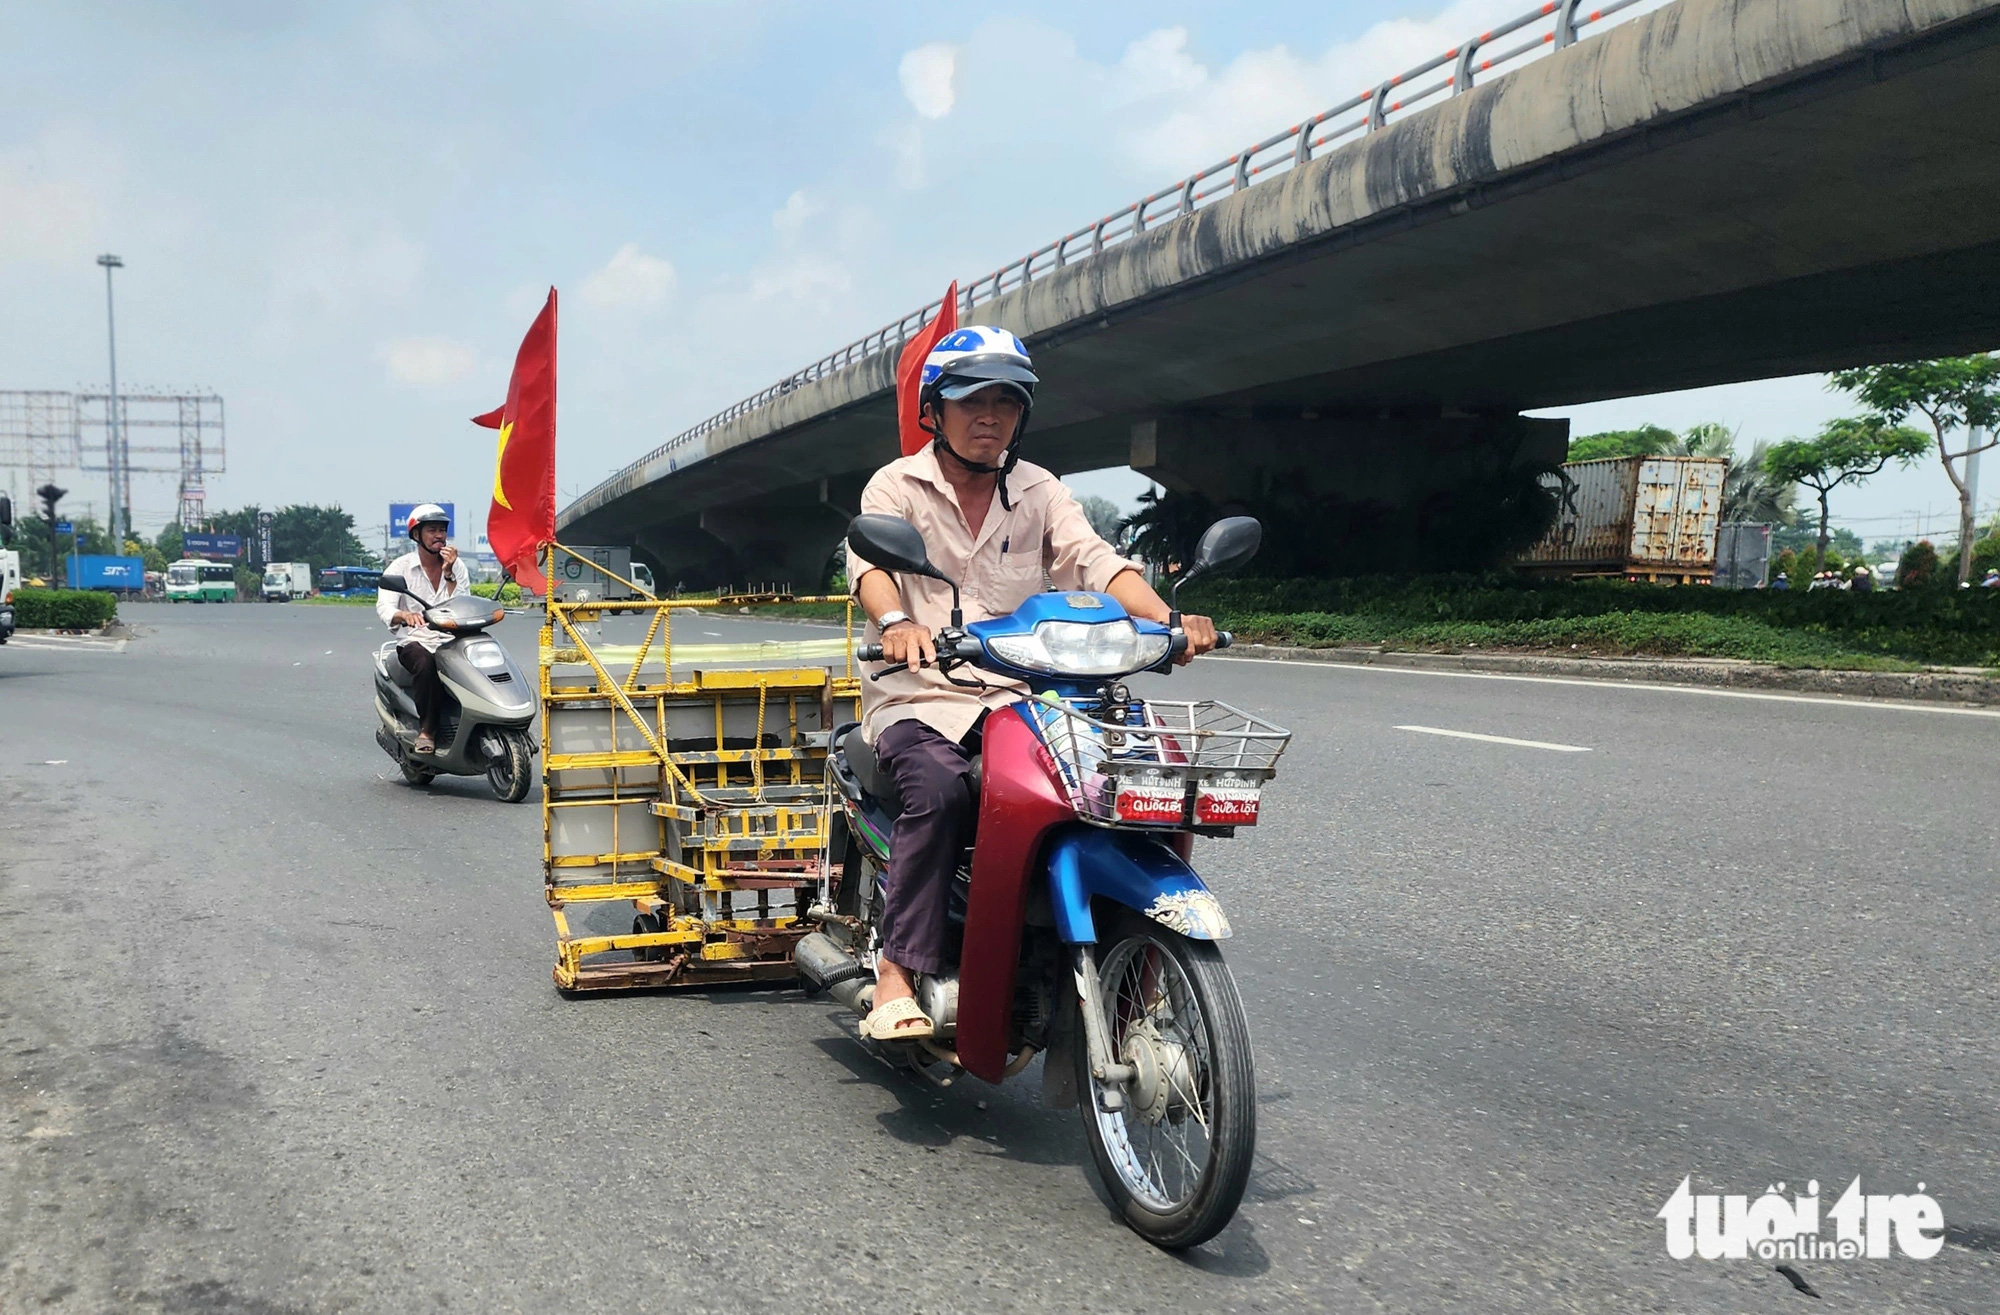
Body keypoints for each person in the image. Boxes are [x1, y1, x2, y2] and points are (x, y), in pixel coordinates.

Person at [846, 325, 1219, 1042]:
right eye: (972, 400)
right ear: (936, 409)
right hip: (923, 692)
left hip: (1025, 694)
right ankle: (896, 970)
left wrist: (1171, 620)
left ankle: (1130, 974)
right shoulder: (897, 485)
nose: (990, 416)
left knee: (1134, 771)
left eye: (1007, 403)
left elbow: (1099, 563)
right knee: (941, 786)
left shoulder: (1038, 489)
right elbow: (872, 567)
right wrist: (896, 619)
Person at [375, 504, 469, 755]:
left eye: (442, 530)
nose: (439, 536)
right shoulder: (400, 568)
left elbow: (463, 605)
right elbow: (384, 608)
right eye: (432, 530)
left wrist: (449, 574)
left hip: (451, 641)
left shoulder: (457, 567)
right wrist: (403, 615)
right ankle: (428, 730)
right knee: (426, 664)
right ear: (416, 535)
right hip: (415, 642)